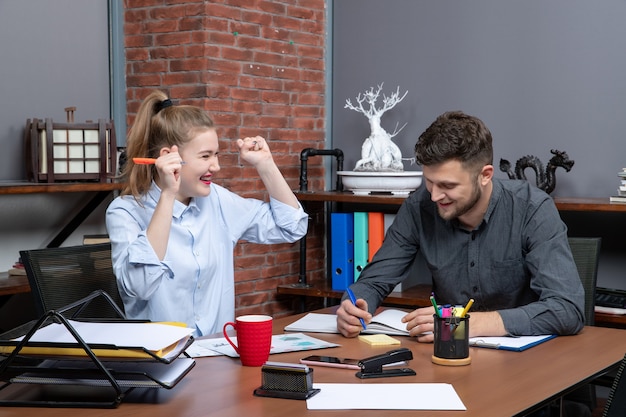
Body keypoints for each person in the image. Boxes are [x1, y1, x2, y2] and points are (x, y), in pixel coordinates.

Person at [337, 111, 585, 341]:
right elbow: (373, 282)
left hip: (525, 362)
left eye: (447, 186)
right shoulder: (418, 207)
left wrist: (468, 323)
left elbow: (567, 309)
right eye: (429, 182)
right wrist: (355, 305)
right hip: (447, 356)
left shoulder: (532, 208)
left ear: (485, 175)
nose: (434, 196)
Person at [106, 90, 308, 336]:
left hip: (217, 356)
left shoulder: (218, 200)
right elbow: (140, 287)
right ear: (169, 158)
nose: (216, 166)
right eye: (205, 156)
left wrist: (265, 165)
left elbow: (292, 227)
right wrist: (168, 195)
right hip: (161, 364)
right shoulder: (124, 212)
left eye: (216, 154)